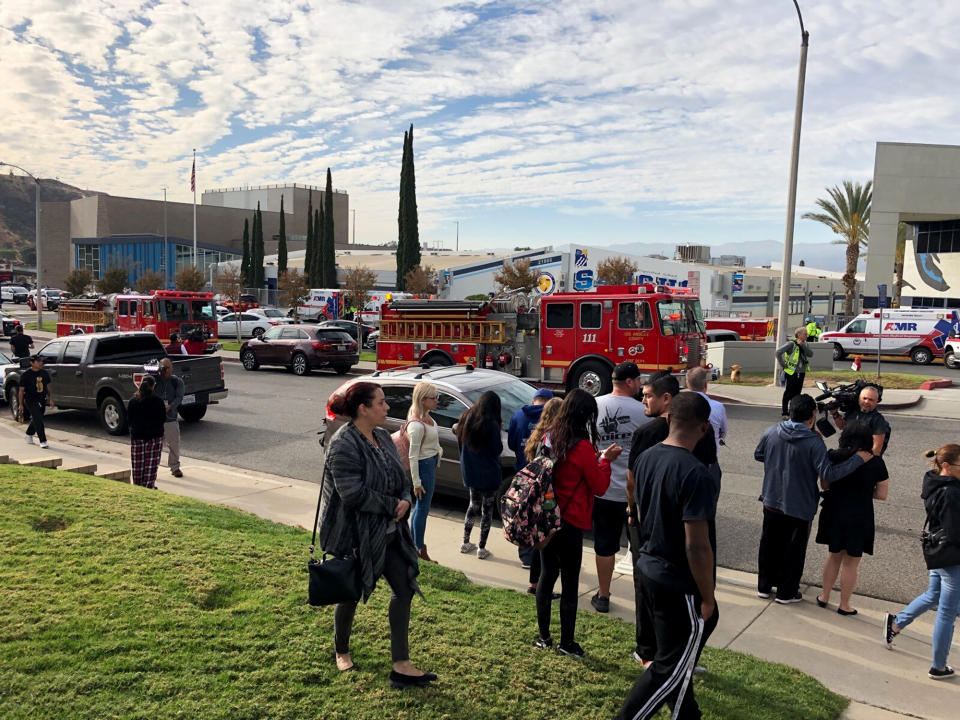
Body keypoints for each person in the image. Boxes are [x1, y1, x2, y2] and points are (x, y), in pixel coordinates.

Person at [319, 381, 435, 689]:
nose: (387, 408)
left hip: (390, 531)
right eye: (381, 403)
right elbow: (352, 494)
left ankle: (401, 664)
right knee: (350, 593)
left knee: (404, 588)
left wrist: (406, 500)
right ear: (363, 409)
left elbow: (401, 477)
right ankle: (341, 649)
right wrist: (391, 506)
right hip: (357, 536)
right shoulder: (343, 443)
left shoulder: (383, 436)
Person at [615, 392, 717, 720]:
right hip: (677, 582)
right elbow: (697, 546)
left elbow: (640, 509)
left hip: (648, 567)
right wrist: (707, 596)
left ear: (669, 418)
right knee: (668, 669)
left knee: (674, 657)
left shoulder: (646, 458)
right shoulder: (696, 474)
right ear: (704, 429)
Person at [754, 394, 871, 604]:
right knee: (793, 550)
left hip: (771, 498)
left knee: (769, 545)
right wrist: (856, 461)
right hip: (799, 505)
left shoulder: (771, 431)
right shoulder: (813, 442)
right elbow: (828, 474)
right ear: (811, 417)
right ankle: (786, 592)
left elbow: (759, 455)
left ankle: (764, 585)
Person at [535, 389, 620, 658]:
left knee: (547, 577)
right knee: (570, 583)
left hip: (548, 516)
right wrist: (605, 461)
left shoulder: (549, 436)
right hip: (571, 521)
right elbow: (600, 486)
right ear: (585, 415)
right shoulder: (582, 446)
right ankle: (567, 642)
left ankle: (543, 636)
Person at [884, 444, 960, 680]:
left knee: (933, 595)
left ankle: (895, 624)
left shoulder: (935, 481)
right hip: (951, 556)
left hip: (938, 552)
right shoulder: (950, 493)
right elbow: (955, 530)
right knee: (947, 613)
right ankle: (938, 667)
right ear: (946, 466)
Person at [591, 361, 648, 614]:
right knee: (640, 547)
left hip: (602, 490)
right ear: (629, 382)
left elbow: (587, 448)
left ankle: (603, 595)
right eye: (638, 381)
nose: (640, 385)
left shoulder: (595, 406)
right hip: (634, 494)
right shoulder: (643, 411)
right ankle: (644, 597)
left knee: (604, 546)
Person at [815, 422, 889, 615]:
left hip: (834, 510)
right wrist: (865, 491)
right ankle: (844, 604)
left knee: (833, 556)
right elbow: (882, 494)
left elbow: (825, 485)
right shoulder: (876, 462)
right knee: (851, 562)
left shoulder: (832, 456)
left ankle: (824, 596)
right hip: (860, 513)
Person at [509, 387, 556, 571]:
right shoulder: (554, 419)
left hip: (523, 473)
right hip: (544, 478)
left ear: (534, 400)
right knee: (541, 516)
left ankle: (526, 555)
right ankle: (540, 554)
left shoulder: (518, 416)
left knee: (523, 513)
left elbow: (513, 442)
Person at [523, 396, 563, 596]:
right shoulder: (552, 437)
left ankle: (533, 583)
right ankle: (540, 587)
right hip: (546, 495)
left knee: (540, 542)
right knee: (545, 543)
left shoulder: (539, 434)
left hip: (535, 492)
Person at [456, 391, 503, 560]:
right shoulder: (491, 424)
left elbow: (459, 443)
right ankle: (481, 548)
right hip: (489, 474)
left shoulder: (465, 417)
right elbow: (497, 449)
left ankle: (465, 542)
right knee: (487, 511)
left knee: (473, 506)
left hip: (470, 471)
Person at [407, 381, 442, 562]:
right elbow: (412, 456)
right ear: (423, 400)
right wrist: (417, 482)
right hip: (424, 466)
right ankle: (418, 548)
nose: (437, 400)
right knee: (422, 509)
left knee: (420, 508)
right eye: (433, 398)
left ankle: (414, 545)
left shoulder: (426, 415)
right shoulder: (417, 425)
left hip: (430, 462)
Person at [127, 375, 166, 488]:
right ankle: (149, 487)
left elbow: (129, 420)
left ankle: (138, 488)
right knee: (151, 466)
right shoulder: (158, 401)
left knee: (138, 466)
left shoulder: (133, 401)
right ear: (153, 386)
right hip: (154, 437)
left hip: (137, 437)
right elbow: (162, 419)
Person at [835, 385, 891, 456]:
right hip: (848, 455)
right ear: (859, 399)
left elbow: (876, 450)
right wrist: (835, 414)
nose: (867, 401)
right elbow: (842, 426)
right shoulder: (853, 412)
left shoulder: (878, 420)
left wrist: (858, 461)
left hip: (864, 461)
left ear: (876, 402)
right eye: (864, 398)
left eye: (871, 400)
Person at [685, 366, 727, 450]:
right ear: (705, 384)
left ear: (687, 384)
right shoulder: (718, 406)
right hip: (710, 457)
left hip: (687, 455)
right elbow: (723, 433)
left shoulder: (679, 406)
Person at [156, 358, 185, 478]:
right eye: (163, 368)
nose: (165, 370)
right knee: (155, 446)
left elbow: (179, 397)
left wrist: (170, 406)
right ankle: (152, 468)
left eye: (167, 368)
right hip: (156, 419)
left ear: (171, 368)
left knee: (174, 444)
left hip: (171, 418)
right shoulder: (154, 380)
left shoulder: (177, 381)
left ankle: (175, 467)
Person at [776, 327, 813, 418]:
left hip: (801, 372)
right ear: (799, 335)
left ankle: (792, 412)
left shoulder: (805, 344)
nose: (806, 335)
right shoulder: (791, 344)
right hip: (792, 372)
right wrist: (783, 364)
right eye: (805, 334)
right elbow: (778, 352)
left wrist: (802, 345)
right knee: (789, 392)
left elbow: (810, 354)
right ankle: (785, 413)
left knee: (797, 393)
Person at [19, 354, 53, 449]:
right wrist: (21, 404)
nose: (40, 363)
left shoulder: (44, 373)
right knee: (38, 419)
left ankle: (28, 434)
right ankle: (43, 441)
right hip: (30, 399)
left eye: (41, 361)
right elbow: (21, 390)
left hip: (42, 399)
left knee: (37, 418)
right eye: (38, 361)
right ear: (32, 363)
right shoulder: (26, 375)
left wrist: (51, 399)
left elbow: (48, 387)